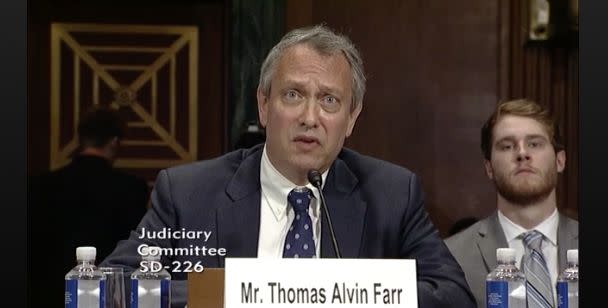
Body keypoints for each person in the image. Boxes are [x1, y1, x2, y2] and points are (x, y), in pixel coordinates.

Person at [101, 24, 475, 307]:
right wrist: (247, 295)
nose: (310, 117)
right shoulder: (189, 193)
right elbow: (112, 287)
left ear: (351, 118)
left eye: (329, 100)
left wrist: (343, 295)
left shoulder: (391, 193)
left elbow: (453, 295)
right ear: (264, 105)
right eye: (293, 95)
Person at [445, 99, 579, 307]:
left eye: (534, 144)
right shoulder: (452, 256)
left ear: (560, 160)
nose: (522, 153)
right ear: (489, 168)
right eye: (507, 146)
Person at [28, 105, 150, 306]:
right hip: (105, 295)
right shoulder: (130, 188)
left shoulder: (39, 185)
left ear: (81, 139)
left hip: (45, 293)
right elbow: (135, 248)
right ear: (114, 142)